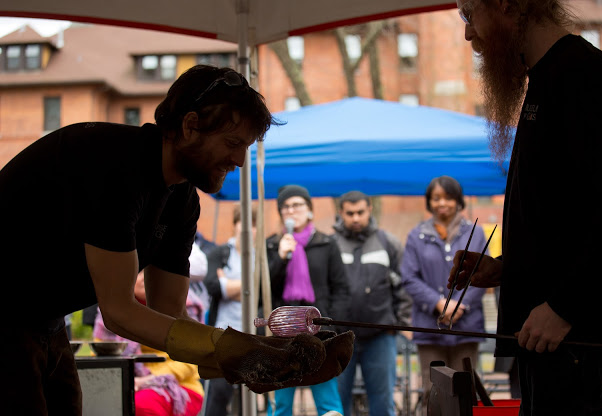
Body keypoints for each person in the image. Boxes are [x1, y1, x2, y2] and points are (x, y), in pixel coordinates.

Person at [1, 65, 353, 415]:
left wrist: (261, 350)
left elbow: (168, 313)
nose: (240, 161)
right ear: (190, 126)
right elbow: (119, 313)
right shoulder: (116, 166)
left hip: (42, 320)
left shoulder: (181, 198)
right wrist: (242, 352)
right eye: (233, 143)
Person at [449, 1, 602, 414]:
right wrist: (508, 266)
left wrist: (565, 306)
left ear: (506, 5)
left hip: (585, 352)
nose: (468, 33)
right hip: (550, 350)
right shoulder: (546, 78)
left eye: (469, 15)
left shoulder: (585, 77)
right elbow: (571, 220)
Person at [401, 176, 488, 409]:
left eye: (448, 198)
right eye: (436, 198)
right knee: (434, 392)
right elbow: (408, 277)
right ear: (429, 202)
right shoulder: (416, 235)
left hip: (467, 326)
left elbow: (483, 273)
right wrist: (438, 303)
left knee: (466, 390)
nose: (442, 204)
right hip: (429, 327)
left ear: (458, 200)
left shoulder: (476, 233)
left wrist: (460, 305)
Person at [266, 184, 353, 416]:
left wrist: (331, 326)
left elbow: (341, 288)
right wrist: (280, 258)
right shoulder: (272, 245)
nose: (291, 211)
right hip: (283, 335)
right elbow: (263, 288)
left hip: (319, 333)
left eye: (297, 205)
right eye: (285, 207)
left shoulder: (326, 244)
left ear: (310, 209)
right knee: (281, 402)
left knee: (327, 400)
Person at [332, 190, 412, 416]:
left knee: (383, 404)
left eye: (360, 212)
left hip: (380, 337)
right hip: (339, 339)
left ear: (370, 210)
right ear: (341, 213)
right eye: (350, 213)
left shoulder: (388, 243)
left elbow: (405, 285)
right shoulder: (331, 245)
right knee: (337, 405)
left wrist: (397, 324)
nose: (355, 218)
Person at [94, 271, 206, 416]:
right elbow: (102, 354)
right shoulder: (111, 309)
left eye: (151, 270)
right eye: (139, 271)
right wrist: (126, 382)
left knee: (141, 405)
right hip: (125, 384)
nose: (144, 277)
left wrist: (146, 380)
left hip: (178, 386)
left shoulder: (183, 306)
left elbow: (190, 362)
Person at [205, 203, 257, 416]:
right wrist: (249, 284)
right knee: (218, 391)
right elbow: (213, 286)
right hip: (222, 333)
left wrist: (229, 285)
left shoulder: (260, 255)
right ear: (235, 224)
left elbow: (262, 287)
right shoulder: (220, 252)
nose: (247, 229)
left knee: (249, 393)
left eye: (253, 224)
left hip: (252, 335)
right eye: (243, 222)